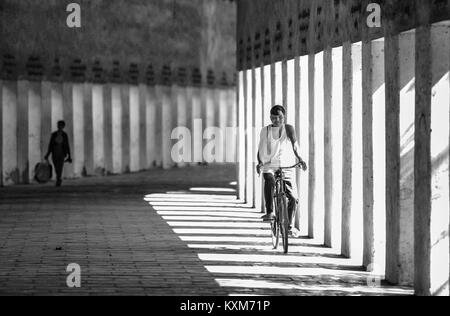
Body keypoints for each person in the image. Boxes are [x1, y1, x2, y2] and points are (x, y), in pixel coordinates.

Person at [256, 105, 307, 235]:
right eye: (274, 118)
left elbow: (295, 145)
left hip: (286, 165)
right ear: (270, 118)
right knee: (269, 179)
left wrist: (300, 159)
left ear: (284, 117)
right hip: (269, 165)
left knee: (294, 197)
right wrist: (259, 162)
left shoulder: (289, 129)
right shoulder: (265, 131)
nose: (277, 120)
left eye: (280, 117)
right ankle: (270, 212)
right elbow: (260, 149)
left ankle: (289, 225)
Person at [44, 120, 72, 187]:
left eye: (60, 125)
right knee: (56, 166)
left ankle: (58, 178)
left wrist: (69, 155)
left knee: (60, 166)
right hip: (55, 152)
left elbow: (67, 145)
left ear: (63, 126)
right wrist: (47, 154)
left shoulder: (64, 135)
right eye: (58, 125)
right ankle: (58, 177)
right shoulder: (54, 134)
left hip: (62, 153)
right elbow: (50, 145)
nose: (59, 126)